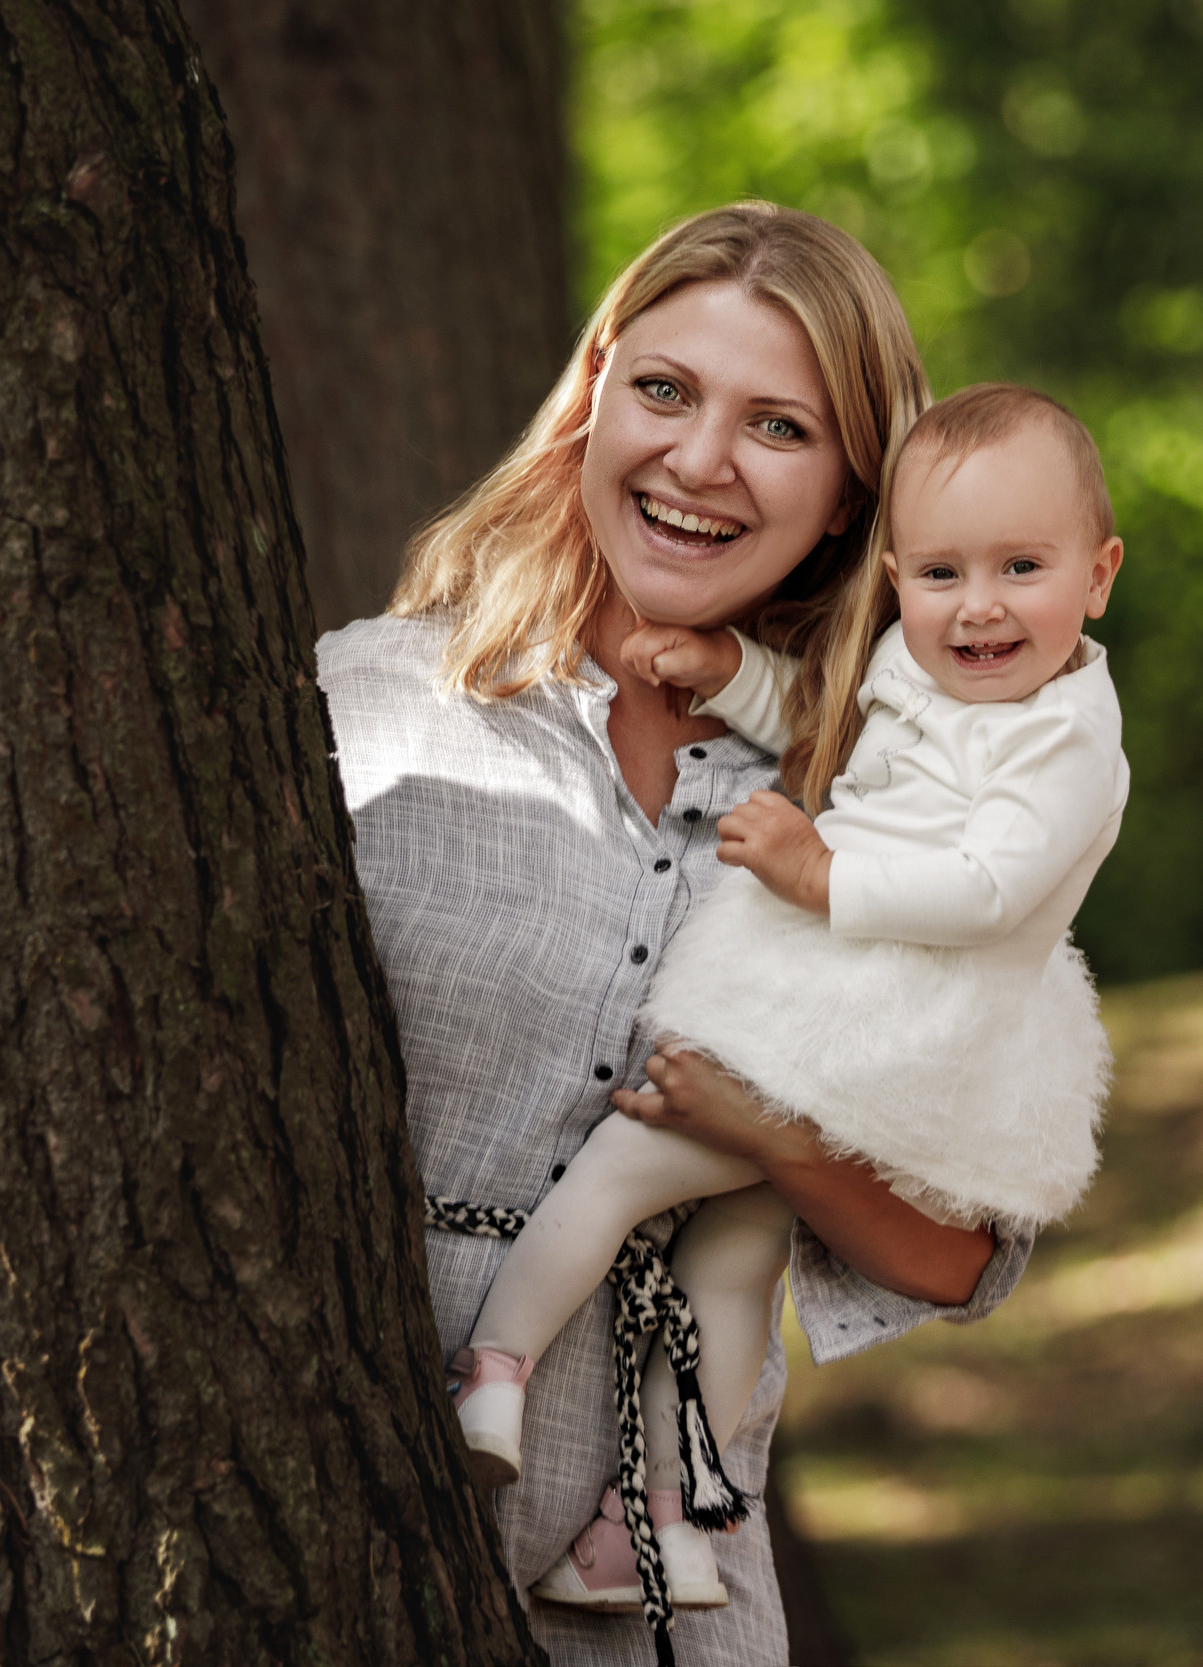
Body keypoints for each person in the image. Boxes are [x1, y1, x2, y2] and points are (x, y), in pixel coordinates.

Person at [315, 203, 1029, 1665]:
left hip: (655, 1602)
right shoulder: (363, 710)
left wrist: (775, 1136)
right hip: (340, 1536)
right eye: (664, 392)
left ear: (848, 496)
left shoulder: (881, 813)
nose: (701, 461)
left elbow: (961, 1257)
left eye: (779, 425)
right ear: (591, 400)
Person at [451, 383, 1127, 1611]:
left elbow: (990, 885)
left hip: (879, 1018)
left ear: (1099, 575)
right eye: (938, 573)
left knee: (622, 1164)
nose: (976, 606)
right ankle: (655, 1526)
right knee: (733, 1256)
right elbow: (830, 718)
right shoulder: (932, 666)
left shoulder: (1065, 738)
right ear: (895, 573)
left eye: (1021, 566)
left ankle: (491, 1367)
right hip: (864, 1010)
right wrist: (731, 671)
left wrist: (820, 872)